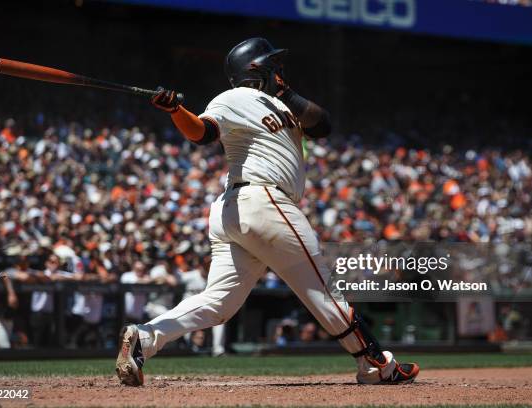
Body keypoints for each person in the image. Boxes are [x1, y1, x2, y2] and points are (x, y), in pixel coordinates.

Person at [116, 37, 419, 386]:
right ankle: (378, 365)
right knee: (322, 289)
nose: (281, 71)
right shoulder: (233, 98)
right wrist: (176, 111)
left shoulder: (284, 107)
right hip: (262, 201)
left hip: (239, 211)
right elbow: (203, 133)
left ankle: (145, 337)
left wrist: (286, 93)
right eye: (273, 65)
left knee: (219, 303)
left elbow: (323, 125)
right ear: (257, 70)